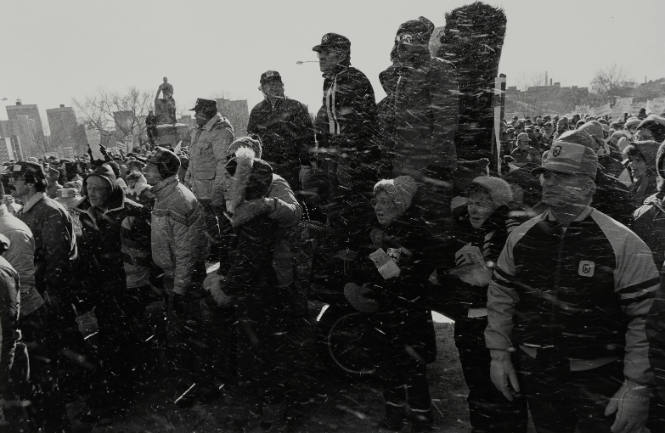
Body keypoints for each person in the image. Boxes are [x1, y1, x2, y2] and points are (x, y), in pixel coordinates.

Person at [485, 136, 660, 432]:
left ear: (589, 186)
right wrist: (498, 354)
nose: (549, 183)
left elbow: (644, 317)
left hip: (599, 378)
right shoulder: (522, 236)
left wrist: (637, 384)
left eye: (562, 176)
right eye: (546, 175)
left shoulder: (623, 242)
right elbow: (501, 295)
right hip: (538, 372)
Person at [343, 176, 437, 432]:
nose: (378, 207)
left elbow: (403, 277)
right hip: (385, 315)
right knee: (388, 368)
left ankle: (421, 421)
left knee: (413, 371)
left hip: (409, 315)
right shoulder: (377, 233)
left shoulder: (416, 234)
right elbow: (368, 270)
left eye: (385, 202)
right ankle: (394, 417)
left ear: (400, 205)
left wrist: (379, 258)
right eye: (376, 201)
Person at [435, 176, 527, 433]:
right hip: (469, 324)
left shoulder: (511, 232)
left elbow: (516, 283)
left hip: (501, 325)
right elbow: (439, 272)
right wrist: (456, 271)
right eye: (472, 202)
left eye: (482, 204)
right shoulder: (461, 226)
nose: (474, 209)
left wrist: (486, 273)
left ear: (497, 205)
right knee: (477, 388)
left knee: (505, 393)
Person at [216, 147, 297, 431]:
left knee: (264, 352)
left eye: (233, 179)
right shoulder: (245, 211)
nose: (228, 185)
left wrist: (225, 285)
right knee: (260, 350)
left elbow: (249, 258)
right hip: (257, 291)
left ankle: (273, 409)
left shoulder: (256, 216)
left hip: (259, 292)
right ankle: (266, 403)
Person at [73, 163, 152, 414]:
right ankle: (121, 386)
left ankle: (125, 392)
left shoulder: (132, 212)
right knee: (110, 337)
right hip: (100, 286)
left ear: (111, 188)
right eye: (88, 187)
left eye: (98, 188)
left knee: (123, 338)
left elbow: (144, 253)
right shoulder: (83, 212)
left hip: (126, 286)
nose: (92, 193)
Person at [144, 147, 217, 405]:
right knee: (184, 336)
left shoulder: (176, 199)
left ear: (163, 170)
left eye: (150, 166)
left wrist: (179, 290)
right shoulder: (164, 195)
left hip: (182, 279)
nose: (145, 170)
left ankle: (204, 387)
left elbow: (186, 252)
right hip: (174, 276)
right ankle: (197, 383)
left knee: (192, 336)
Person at [10, 161, 78, 432]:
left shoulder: (48, 211)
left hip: (52, 295)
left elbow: (56, 261)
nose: (10, 184)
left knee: (70, 347)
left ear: (30, 182)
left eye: (15, 179)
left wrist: (49, 294)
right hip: (43, 296)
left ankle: (97, 400)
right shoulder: (31, 210)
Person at [247, 70, 315, 190]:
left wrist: (306, 166)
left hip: (293, 167)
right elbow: (252, 140)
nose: (273, 87)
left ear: (282, 86)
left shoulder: (296, 106)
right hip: (266, 169)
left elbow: (307, 138)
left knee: (295, 202)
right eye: (268, 84)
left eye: (276, 83)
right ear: (262, 89)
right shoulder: (256, 111)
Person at [184, 98, 235, 256]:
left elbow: (223, 164)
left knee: (222, 224)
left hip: (213, 189)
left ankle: (224, 255)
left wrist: (218, 191)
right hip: (200, 189)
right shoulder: (199, 130)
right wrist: (188, 177)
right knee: (207, 223)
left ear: (205, 113)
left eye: (197, 113)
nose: (195, 117)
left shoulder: (221, 131)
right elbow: (193, 158)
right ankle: (213, 251)